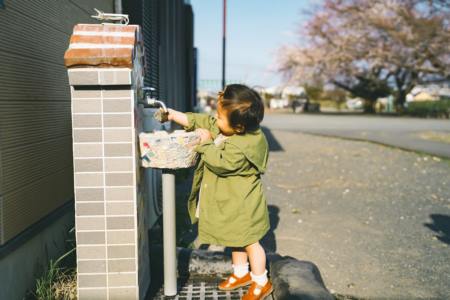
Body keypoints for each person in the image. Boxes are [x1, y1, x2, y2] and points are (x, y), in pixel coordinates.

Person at [166, 84, 273, 299]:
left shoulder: (243, 146)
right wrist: (170, 114)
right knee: (235, 238)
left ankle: (261, 281)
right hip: (233, 202)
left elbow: (220, 162)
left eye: (220, 117)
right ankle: (241, 273)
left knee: (251, 243)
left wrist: (205, 143)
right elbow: (203, 121)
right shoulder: (232, 128)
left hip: (243, 205)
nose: (215, 119)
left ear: (240, 127)